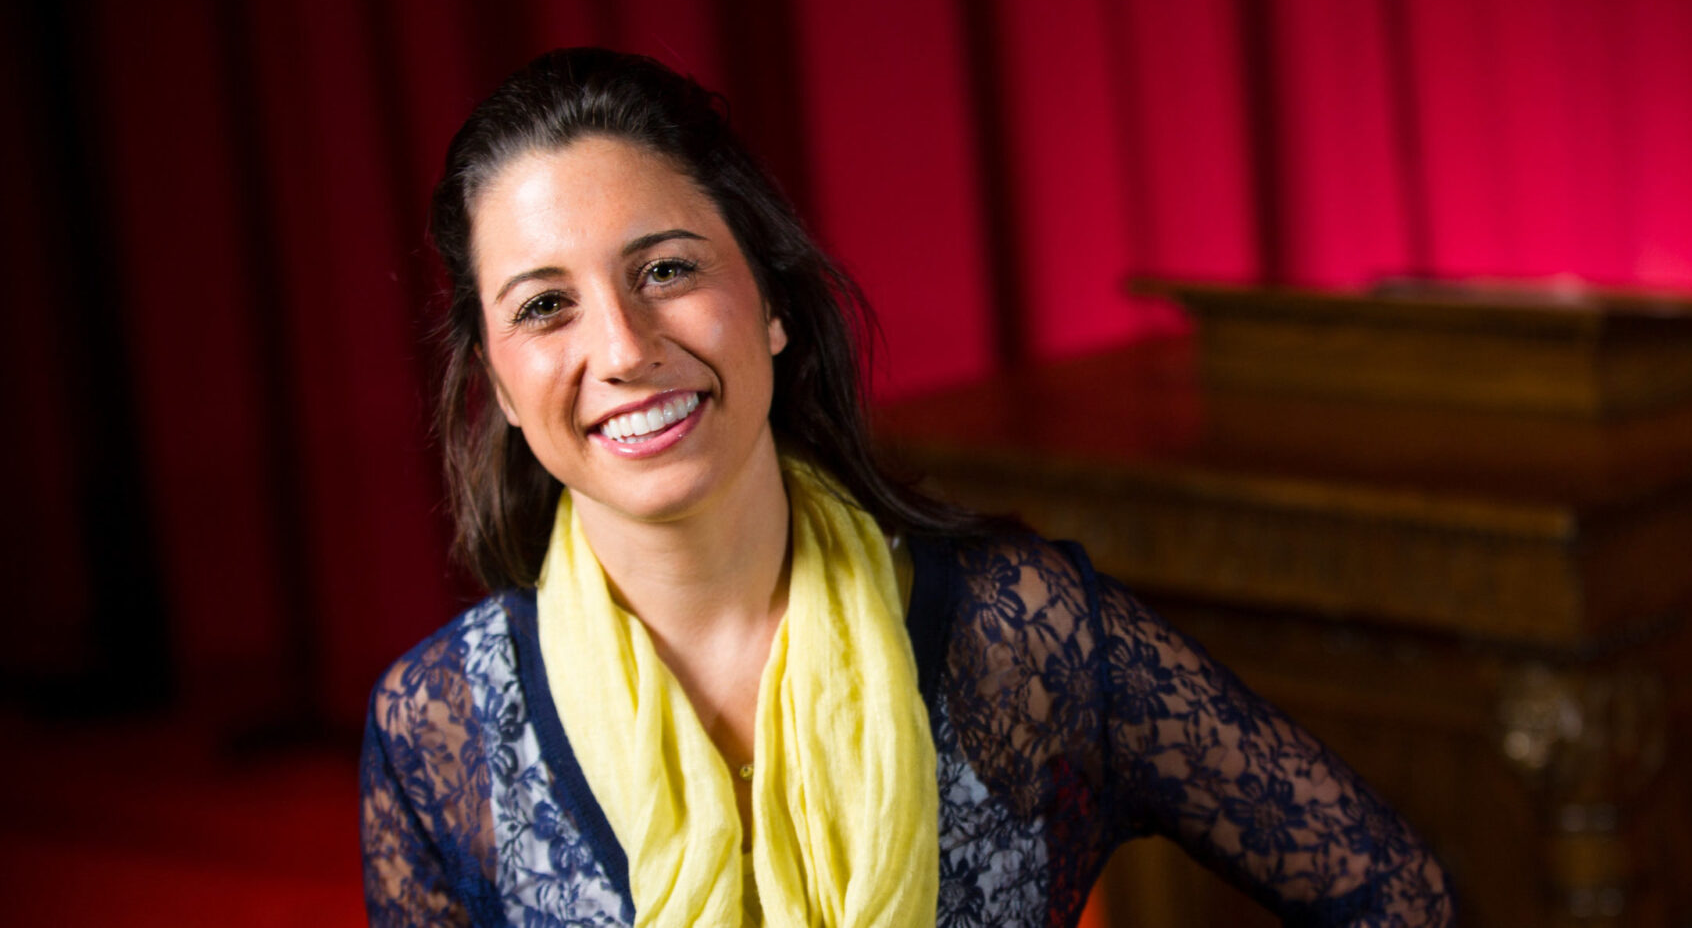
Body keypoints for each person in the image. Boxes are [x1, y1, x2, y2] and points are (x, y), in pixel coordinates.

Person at [360, 47, 1453, 927]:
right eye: (544, 306)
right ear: (499, 381)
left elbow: (1394, 895)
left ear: (771, 306)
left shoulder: (1018, 635)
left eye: (667, 270)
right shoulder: (440, 724)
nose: (623, 345)